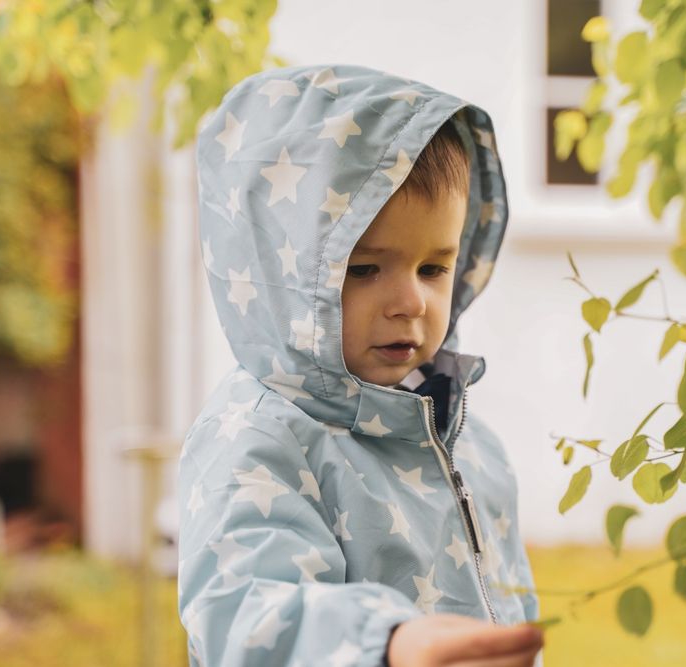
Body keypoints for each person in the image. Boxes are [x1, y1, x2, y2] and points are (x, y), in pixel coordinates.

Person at [179, 63, 543, 666]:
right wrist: (386, 643)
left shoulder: (466, 440)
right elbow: (246, 613)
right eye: (364, 270)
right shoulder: (258, 438)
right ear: (283, 271)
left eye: (433, 268)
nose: (410, 303)